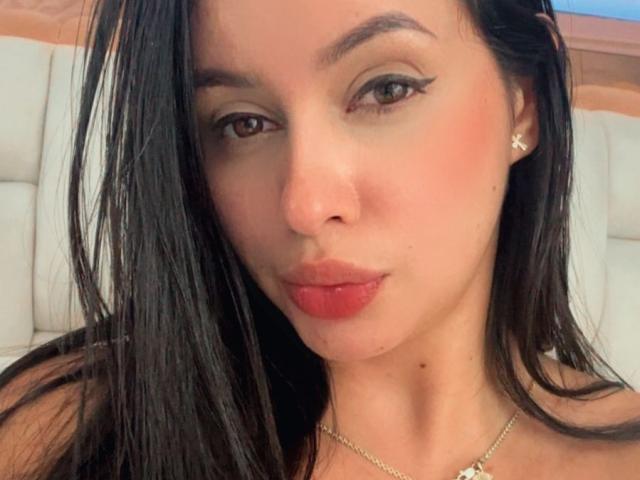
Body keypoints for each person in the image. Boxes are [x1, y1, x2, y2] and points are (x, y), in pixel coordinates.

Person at [0, 0, 639, 478]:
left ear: (523, 101)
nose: (304, 207)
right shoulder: (66, 435)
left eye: (386, 90)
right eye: (242, 123)